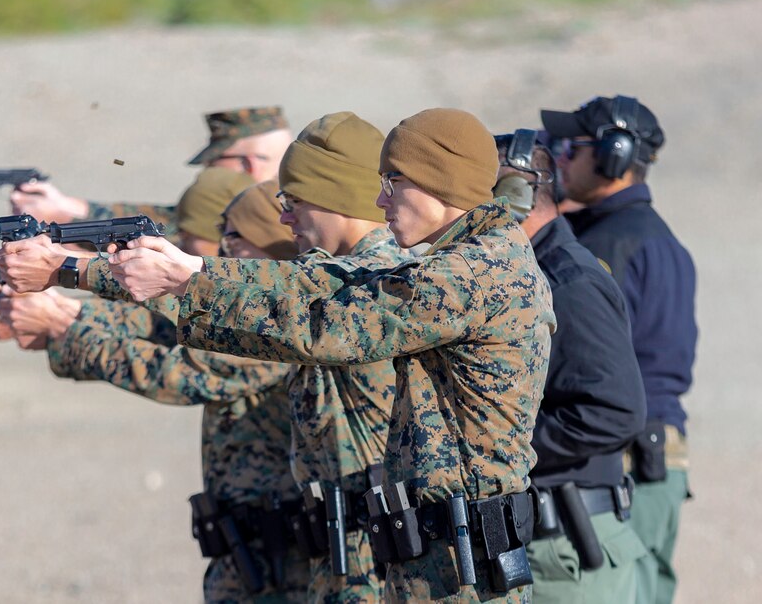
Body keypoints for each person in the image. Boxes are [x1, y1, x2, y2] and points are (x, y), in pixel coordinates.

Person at [90, 108, 555, 602]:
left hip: (459, 569)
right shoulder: (465, 263)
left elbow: (322, 323)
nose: (380, 200)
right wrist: (192, 271)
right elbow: (320, 285)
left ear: (433, 179)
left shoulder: (471, 275)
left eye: (392, 184)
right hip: (439, 557)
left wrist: (189, 281)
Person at [0, 112, 408, 602]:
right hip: (328, 548)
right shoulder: (329, 279)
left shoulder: (371, 281)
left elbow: (192, 365)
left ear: (332, 194)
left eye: (295, 201)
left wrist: (69, 294)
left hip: (363, 556)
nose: (285, 217)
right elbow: (171, 322)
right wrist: (65, 314)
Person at [0, 175, 311, 603]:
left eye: (234, 245)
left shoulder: (267, 325)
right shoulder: (243, 312)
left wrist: (66, 325)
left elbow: (182, 373)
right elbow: (155, 325)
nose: (220, 256)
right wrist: (64, 318)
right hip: (251, 543)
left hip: (287, 549)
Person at [541, 96, 697, 604]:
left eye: (572, 147)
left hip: (631, 459)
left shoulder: (602, 248)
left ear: (614, 154)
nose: (560, 158)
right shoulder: (654, 236)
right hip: (653, 455)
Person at [494, 129, 648, 603]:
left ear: (514, 198)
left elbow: (616, 411)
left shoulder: (568, 282)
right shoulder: (530, 272)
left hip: (567, 550)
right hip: (547, 545)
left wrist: (505, 446)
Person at [10, 106, 293, 233]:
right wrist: (73, 207)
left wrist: (66, 222)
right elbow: (169, 218)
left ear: (250, 164)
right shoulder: (290, 205)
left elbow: (176, 238)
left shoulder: (279, 218)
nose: (207, 170)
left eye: (215, 163)